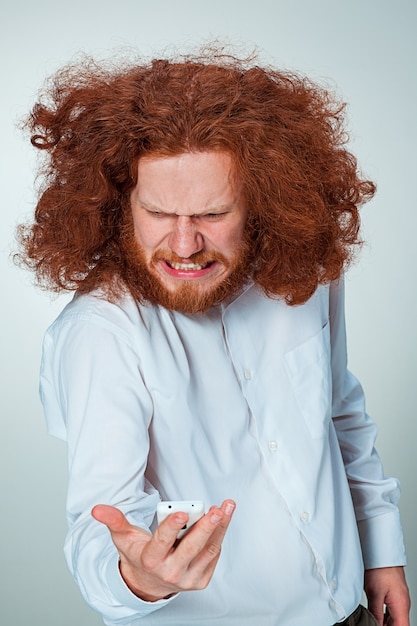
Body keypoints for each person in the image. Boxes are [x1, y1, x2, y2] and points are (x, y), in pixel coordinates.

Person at [17, 47, 411, 626]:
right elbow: (100, 525)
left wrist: (382, 554)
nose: (183, 245)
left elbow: (337, 409)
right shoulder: (100, 334)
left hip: (347, 608)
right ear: (120, 205)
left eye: (212, 214)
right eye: (158, 213)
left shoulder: (303, 273)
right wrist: (139, 578)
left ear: (262, 200)